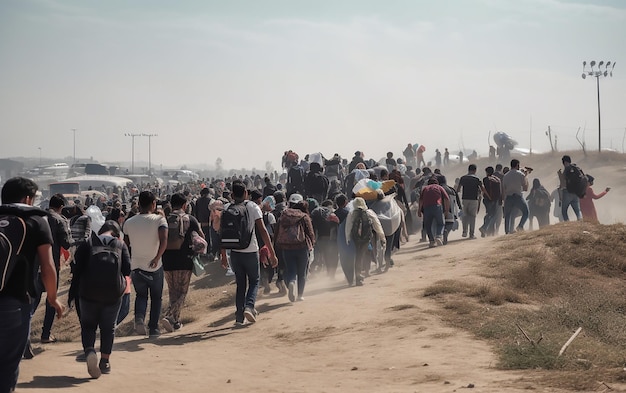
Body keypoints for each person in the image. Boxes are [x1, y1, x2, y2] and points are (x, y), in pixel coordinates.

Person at [0, 177, 64, 393]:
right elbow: (47, 266)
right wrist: (53, 298)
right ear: (28, 199)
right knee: (8, 364)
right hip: (15, 302)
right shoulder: (36, 220)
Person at [73, 221, 131, 378]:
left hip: (88, 293)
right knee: (108, 327)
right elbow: (127, 269)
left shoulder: (88, 243)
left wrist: (74, 293)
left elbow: (76, 269)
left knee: (88, 326)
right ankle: (105, 361)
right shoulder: (120, 245)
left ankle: (90, 351)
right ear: (116, 234)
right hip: (113, 293)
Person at [220, 182, 278, 325]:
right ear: (246, 193)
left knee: (240, 284)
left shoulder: (227, 208)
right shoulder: (252, 207)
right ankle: (250, 306)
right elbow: (263, 231)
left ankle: (239, 316)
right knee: (254, 281)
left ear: (232, 195)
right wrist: (272, 252)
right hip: (251, 250)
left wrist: (223, 256)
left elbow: (222, 234)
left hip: (234, 252)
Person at [123, 191, 168, 338]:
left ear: (138, 204)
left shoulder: (129, 222)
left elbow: (126, 244)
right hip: (155, 266)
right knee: (156, 298)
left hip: (136, 265)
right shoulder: (159, 220)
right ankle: (154, 329)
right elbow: (164, 241)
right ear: (154, 204)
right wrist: (157, 257)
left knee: (141, 296)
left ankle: (139, 319)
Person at [161, 193, 203, 333]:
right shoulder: (190, 219)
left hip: (167, 260)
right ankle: (169, 317)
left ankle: (176, 322)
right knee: (182, 292)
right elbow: (201, 237)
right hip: (185, 260)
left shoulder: (165, 219)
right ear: (185, 205)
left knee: (173, 292)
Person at [37, 194, 74, 345]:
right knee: (51, 299)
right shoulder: (60, 220)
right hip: (51, 265)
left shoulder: (38, 217)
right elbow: (66, 244)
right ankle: (46, 334)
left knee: (32, 301)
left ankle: (24, 337)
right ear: (61, 207)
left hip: (34, 265)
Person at [275, 193, 315, 301]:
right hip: (302, 247)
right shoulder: (304, 216)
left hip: (286, 248)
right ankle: (300, 295)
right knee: (302, 272)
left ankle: (291, 282)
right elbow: (310, 232)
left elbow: (277, 232)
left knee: (290, 270)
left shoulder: (283, 215)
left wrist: (277, 246)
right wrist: (312, 243)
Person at [345, 197, 385, 286]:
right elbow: (377, 225)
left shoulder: (352, 213)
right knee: (363, 254)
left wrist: (348, 238)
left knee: (358, 256)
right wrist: (382, 237)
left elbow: (348, 226)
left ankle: (358, 276)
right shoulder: (369, 212)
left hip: (356, 239)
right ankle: (363, 273)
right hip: (366, 239)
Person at [456, 164, 487, 239]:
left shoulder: (463, 178)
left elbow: (458, 189)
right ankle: (471, 234)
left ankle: (464, 231)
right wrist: (487, 196)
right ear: (475, 170)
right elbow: (482, 189)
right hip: (474, 199)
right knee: (472, 217)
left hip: (465, 199)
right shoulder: (477, 179)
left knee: (465, 216)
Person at [417, 177, 450, 247]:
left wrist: (419, 210)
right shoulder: (439, 187)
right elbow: (447, 198)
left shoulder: (425, 188)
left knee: (427, 225)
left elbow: (421, 200)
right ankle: (438, 236)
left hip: (426, 208)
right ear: (437, 183)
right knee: (441, 223)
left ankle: (431, 241)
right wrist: (447, 211)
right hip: (437, 206)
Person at [502, 159, 530, 234]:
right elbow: (525, 188)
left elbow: (504, 189)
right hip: (518, 196)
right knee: (526, 212)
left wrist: (504, 200)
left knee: (507, 215)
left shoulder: (506, 175)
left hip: (508, 197)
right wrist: (526, 177)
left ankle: (507, 231)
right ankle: (520, 226)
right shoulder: (521, 174)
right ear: (517, 165)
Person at [557, 155, 582, 221]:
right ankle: (580, 220)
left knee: (564, 211)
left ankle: (567, 223)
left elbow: (563, 183)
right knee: (577, 211)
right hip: (576, 192)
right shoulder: (576, 168)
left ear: (564, 162)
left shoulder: (566, 169)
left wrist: (560, 175)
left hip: (567, 192)